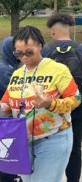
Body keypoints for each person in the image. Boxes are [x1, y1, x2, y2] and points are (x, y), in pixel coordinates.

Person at [0, 26, 81, 182]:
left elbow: (76, 99)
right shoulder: (17, 74)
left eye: (29, 52)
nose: (24, 57)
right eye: (18, 53)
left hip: (53, 138)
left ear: (40, 46)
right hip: (23, 141)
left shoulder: (58, 69)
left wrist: (51, 103)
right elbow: (6, 105)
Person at [46, 13, 82, 182]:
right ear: (69, 30)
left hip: (52, 105)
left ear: (53, 31)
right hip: (79, 103)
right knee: (75, 147)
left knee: (48, 145)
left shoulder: (45, 50)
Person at [0, 37, 22, 182]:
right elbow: (10, 95)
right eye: (16, 51)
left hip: (7, 119)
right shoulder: (4, 69)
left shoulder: (10, 67)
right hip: (6, 120)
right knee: (7, 157)